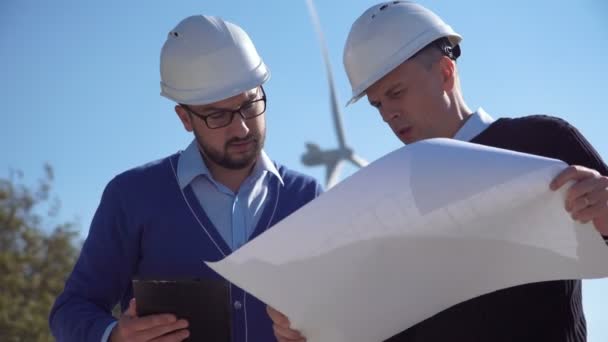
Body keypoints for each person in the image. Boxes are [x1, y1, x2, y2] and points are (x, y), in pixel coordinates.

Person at [268, 1, 608, 341]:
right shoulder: (385, 199)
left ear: (446, 72)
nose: (388, 114)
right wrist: (314, 331)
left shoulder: (544, 141)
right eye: (377, 105)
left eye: (396, 93)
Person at [49, 15, 322, 342]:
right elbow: (71, 308)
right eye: (218, 115)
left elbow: (345, 312)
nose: (242, 128)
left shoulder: (309, 198)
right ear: (185, 118)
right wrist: (114, 336)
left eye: (250, 106)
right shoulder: (131, 196)